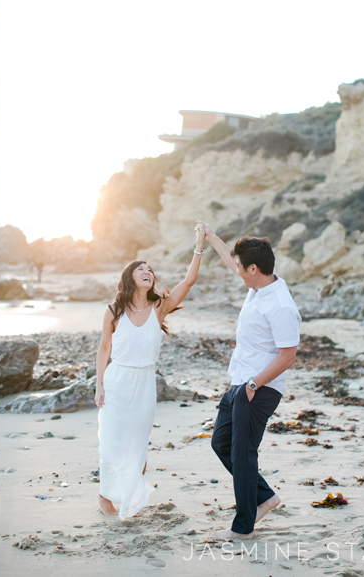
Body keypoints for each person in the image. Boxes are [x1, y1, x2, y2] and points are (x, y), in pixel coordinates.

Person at [197, 222, 301, 540]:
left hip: (259, 388)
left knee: (243, 455)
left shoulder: (281, 305)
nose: (237, 271)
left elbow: (288, 356)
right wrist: (210, 235)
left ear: (254, 268)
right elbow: (233, 259)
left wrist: (253, 385)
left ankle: (242, 528)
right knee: (221, 443)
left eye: (242, 268)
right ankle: (265, 497)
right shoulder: (257, 285)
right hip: (239, 381)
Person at [94, 223, 205, 518]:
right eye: (141, 268)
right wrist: (99, 385)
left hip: (144, 383)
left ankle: (130, 498)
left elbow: (189, 281)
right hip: (117, 380)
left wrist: (199, 244)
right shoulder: (114, 310)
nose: (147, 271)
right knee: (112, 442)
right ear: (130, 277)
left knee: (138, 443)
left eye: (150, 269)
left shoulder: (160, 308)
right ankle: (105, 498)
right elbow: (104, 349)